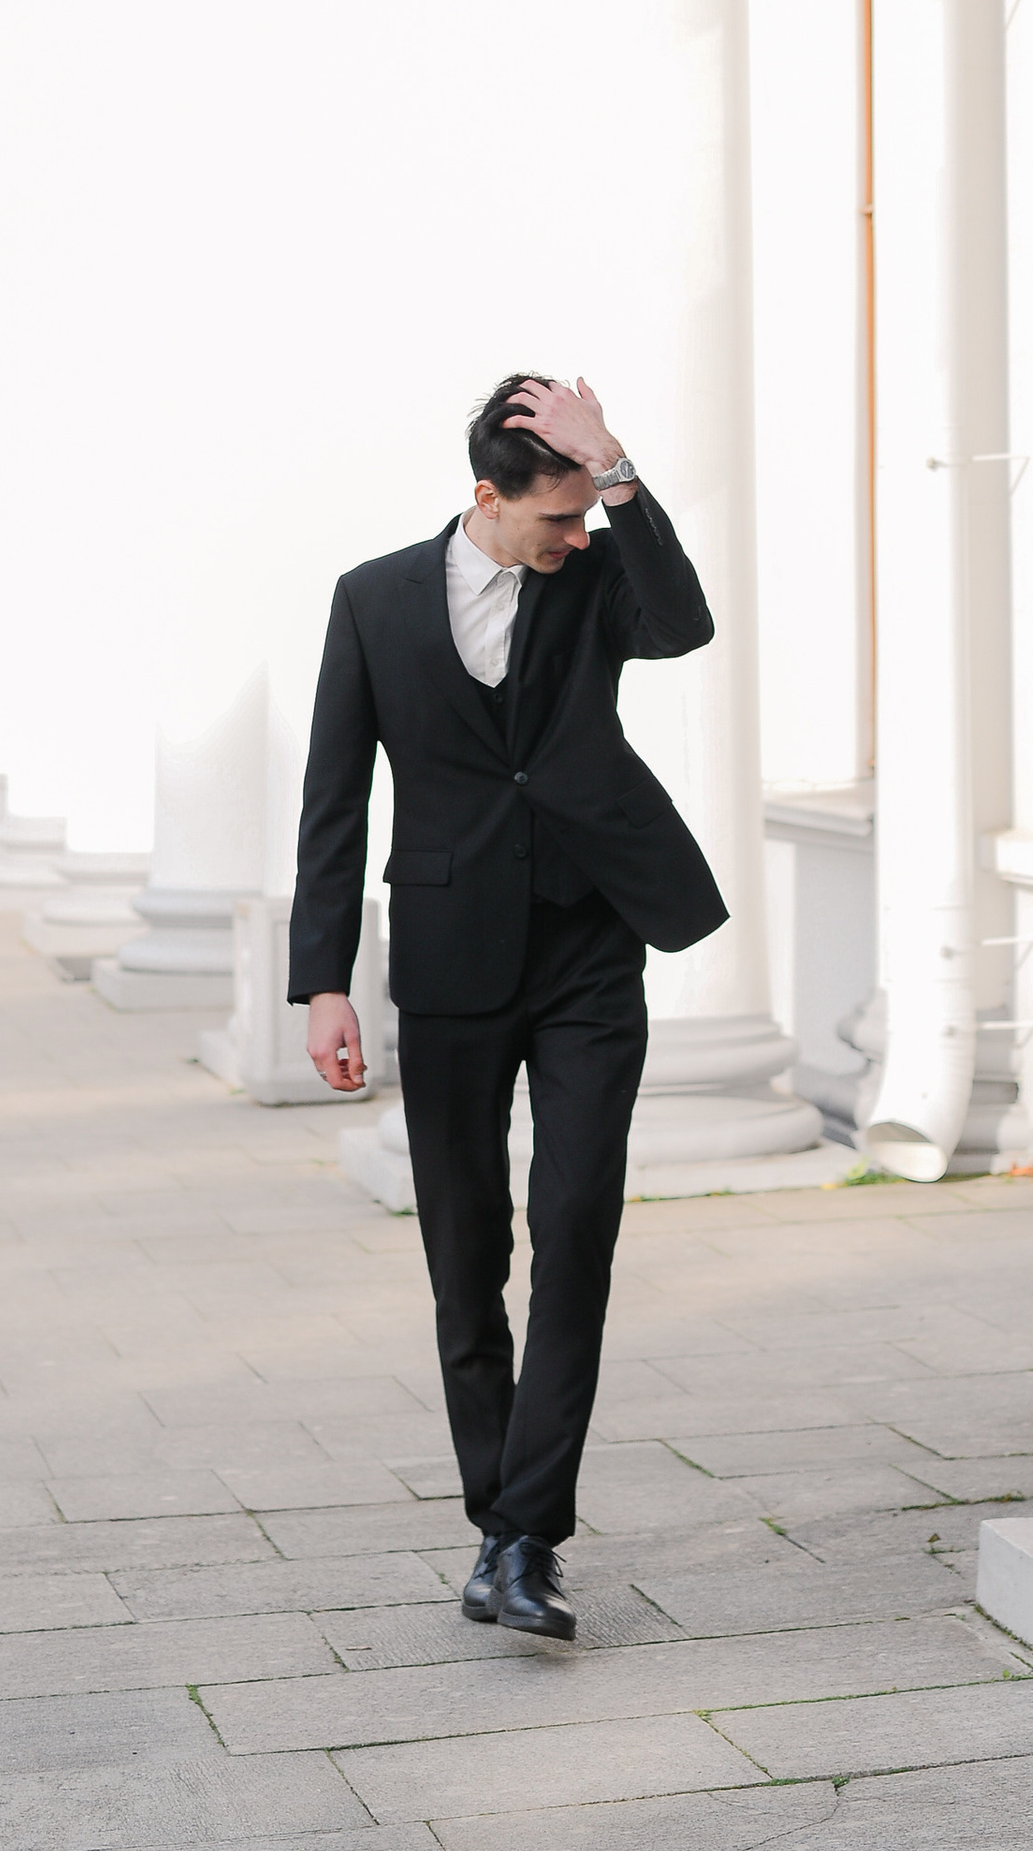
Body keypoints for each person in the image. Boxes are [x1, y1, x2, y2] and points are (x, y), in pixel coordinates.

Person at [290, 371, 727, 1642]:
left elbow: (684, 622)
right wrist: (327, 980)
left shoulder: (597, 573)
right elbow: (333, 796)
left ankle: (527, 1535)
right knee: (467, 1256)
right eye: (558, 520)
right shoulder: (372, 601)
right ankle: (501, 1517)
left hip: (593, 942)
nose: (577, 540)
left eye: (590, 518)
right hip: (451, 955)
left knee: (576, 1227)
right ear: (487, 498)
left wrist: (619, 465)